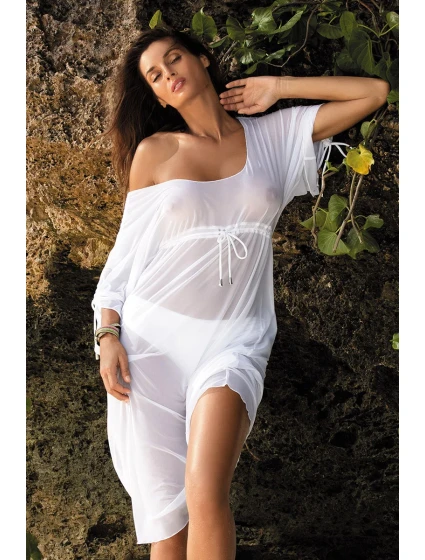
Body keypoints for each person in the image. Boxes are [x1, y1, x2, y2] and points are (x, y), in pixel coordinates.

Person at [91, 24, 390, 560]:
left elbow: (372, 93)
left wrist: (279, 87)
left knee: (205, 490)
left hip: (234, 343)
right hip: (151, 344)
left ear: (201, 59)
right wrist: (107, 333)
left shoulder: (274, 137)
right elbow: (124, 258)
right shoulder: (156, 153)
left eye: (174, 58)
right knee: (168, 525)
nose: (169, 74)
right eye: (155, 76)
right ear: (157, 97)